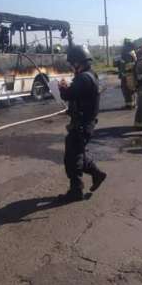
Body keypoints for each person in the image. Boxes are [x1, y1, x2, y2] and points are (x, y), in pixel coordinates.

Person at [58, 45, 106, 202]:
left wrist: (61, 87)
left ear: (78, 62)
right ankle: (97, 174)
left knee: (73, 158)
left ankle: (76, 190)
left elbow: (69, 94)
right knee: (77, 153)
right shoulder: (90, 75)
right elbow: (80, 97)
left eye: (72, 64)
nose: (71, 67)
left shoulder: (83, 78)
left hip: (82, 125)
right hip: (85, 123)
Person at [118, 39, 137, 109]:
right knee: (131, 89)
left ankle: (129, 105)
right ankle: (133, 104)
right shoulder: (132, 52)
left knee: (126, 89)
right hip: (131, 74)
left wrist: (123, 73)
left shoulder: (126, 53)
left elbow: (127, 65)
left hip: (127, 75)